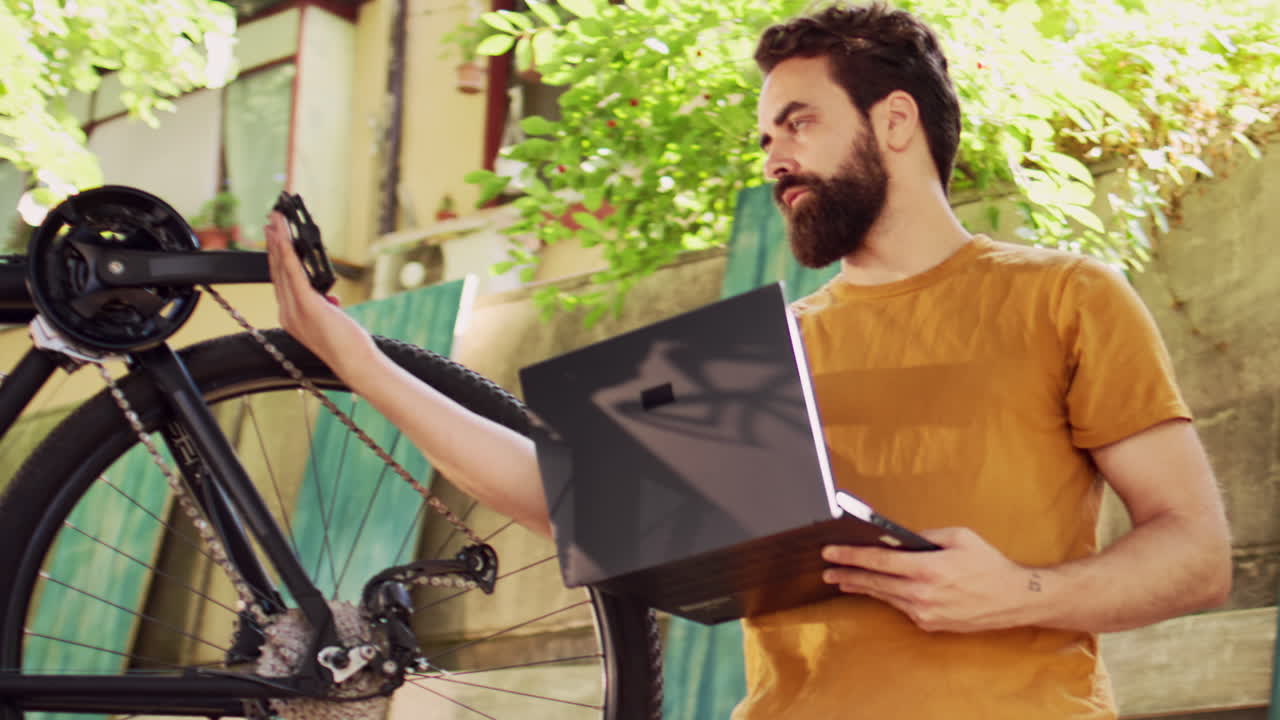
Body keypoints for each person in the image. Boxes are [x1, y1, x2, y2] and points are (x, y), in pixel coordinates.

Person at [266, 2, 1231, 717]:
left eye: (800, 122)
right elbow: (567, 495)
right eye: (765, 136)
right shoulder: (762, 355)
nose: (773, 157)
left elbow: (1195, 555)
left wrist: (1017, 595)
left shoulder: (1065, 297)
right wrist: (358, 360)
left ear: (895, 123)